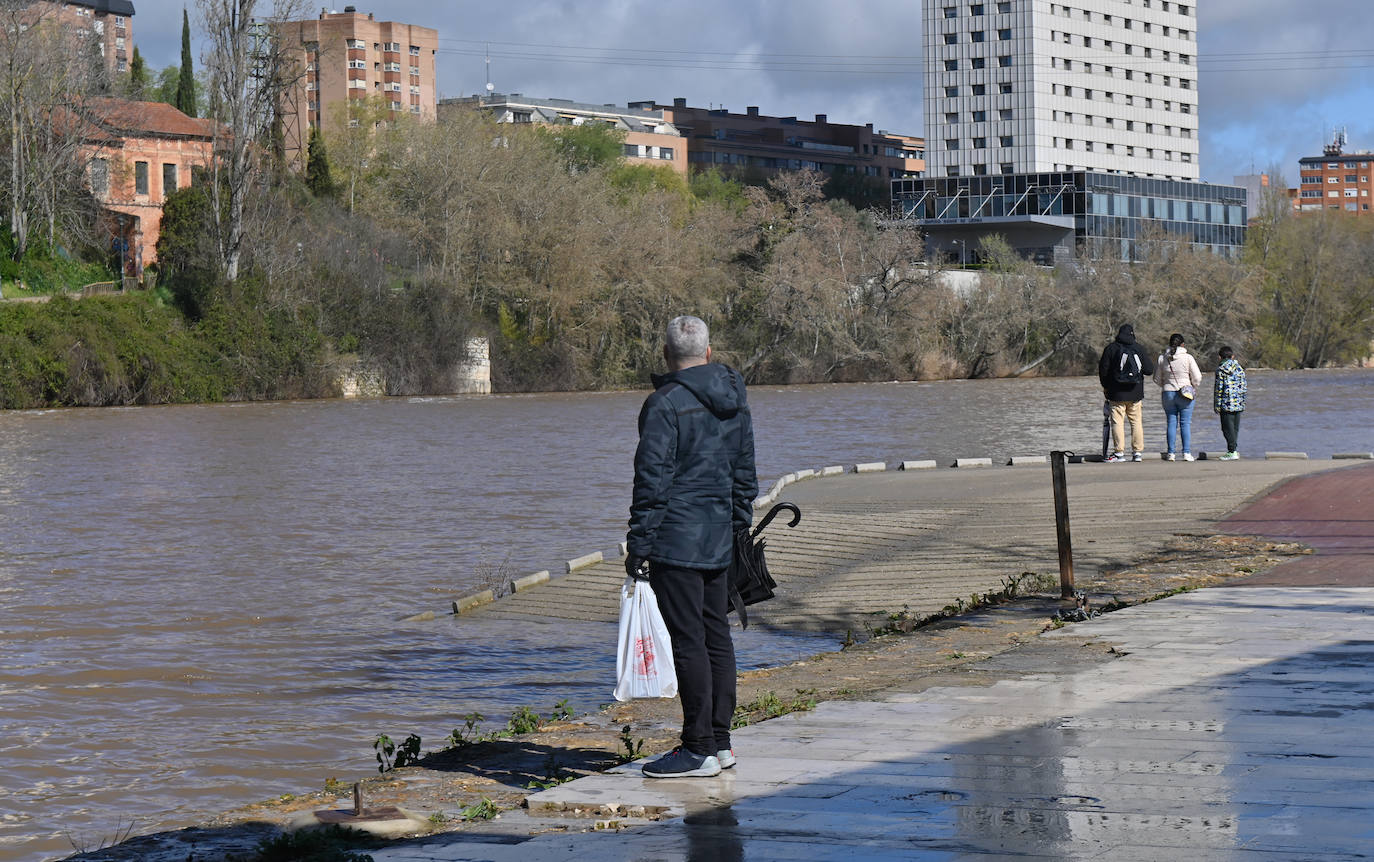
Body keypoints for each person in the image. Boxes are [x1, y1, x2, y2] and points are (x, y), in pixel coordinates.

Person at [625, 315, 756, 779]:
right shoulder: (735, 399)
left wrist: (638, 546)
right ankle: (721, 744)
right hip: (719, 537)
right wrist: (739, 528)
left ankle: (697, 747)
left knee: (689, 642)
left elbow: (652, 481)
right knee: (715, 636)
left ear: (666, 355)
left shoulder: (663, 403)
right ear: (709, 352)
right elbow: (745, 475)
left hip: (676, 541)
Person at [1097, 324, 1155, 462]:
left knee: (1117, 422)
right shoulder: (1138, 348)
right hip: (1135, 393)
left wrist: (1106, 387)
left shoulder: (1111, 348)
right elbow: (1149, 370)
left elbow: (1103, 371)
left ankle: (1119, 453)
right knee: (1136, 422)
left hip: (1116, 393)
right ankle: (1137, 453)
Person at [1153, 333, 1204, 461]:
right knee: (1185, 423)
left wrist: (1165, 385)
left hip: (1168, 393)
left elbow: (1156, 378)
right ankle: (1186, 453)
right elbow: (1197, 377)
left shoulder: (1162, 358)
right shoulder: (1188, 358)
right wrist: (1193, 386)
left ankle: (1171, 453)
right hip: (1185, 393)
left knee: (1171, 422)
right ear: (1183, 344)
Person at [1212, 346, 1248, 460]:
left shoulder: (1220, 370)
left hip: (1226, 403)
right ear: (1232, 356)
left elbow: (1219, 389)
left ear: (1219, 357)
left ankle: (1232, 451)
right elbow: (1244, 386)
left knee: (1227, 429)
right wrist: (1242, 401)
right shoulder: (1239, 368)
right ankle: (1234, 450)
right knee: (1235, 428)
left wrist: (1217, 405)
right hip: (1238, 403)